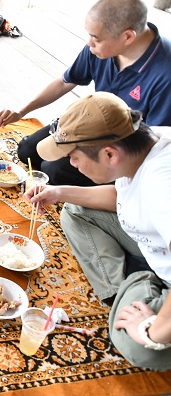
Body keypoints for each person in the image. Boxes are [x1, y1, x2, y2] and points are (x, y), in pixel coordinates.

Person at [26, 92, 171, 370]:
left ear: (109, 154)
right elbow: (123, 196)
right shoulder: (148, 144)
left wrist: (150, 331)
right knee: (74, 209)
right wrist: (60, 192)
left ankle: (139, 285)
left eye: (74, 157)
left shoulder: (161, 182)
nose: (71, 164)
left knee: (140, 349)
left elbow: (154, 195)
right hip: (156, 244)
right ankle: (124, 294)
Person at [0, 0, 171, 186]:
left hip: (121, 147)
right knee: (27, 150)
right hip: (88, 123)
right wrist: (22, 111)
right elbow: (65, 82)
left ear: (127, 36)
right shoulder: (102, 47)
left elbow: (154, 144)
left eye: (95, 38)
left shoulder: (165, 74)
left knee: (52, 170)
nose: (89, 43)